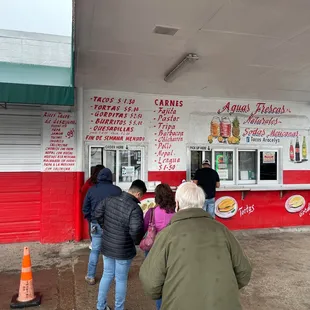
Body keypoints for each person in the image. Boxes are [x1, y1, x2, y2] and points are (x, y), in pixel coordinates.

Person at [139, 182, 252, 310]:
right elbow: (244, 272)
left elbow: (151, 284)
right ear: (202, 203)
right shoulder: (222, 230)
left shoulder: (166, 235)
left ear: (177, 204)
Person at [94, 179, 146, 310]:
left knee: (107, 274)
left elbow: (97, 213)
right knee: (121, 279)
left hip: (107, 245)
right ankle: (119, 308)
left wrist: (105, 226)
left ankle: (100, 306)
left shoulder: (110, 200)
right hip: (124, 249)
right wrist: (136, 242)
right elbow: (135, 230)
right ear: (139, 194)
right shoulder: (135, 208)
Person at [83, 168, 122, 285]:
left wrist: (92, 220)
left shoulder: (92, 190)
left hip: (96, 224)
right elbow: (122, 208)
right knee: (114, 250)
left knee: (95, 250)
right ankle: (115, 276)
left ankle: (90, 276)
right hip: (113, 225)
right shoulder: (117, 190)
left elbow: (85, 208)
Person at [143, 183, 175, 310]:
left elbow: (143, 229)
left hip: (154, 249)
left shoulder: (151, 212)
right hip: (172, 249)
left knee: (157, 281)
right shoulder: (176, 212)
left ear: (156, 197)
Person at [81, 164, 105, 247]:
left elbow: (82, 190)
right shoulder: (104, 182)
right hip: (103, 209)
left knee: (92, 226)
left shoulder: (90, 181)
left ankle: (93, 243)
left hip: (92, 209)